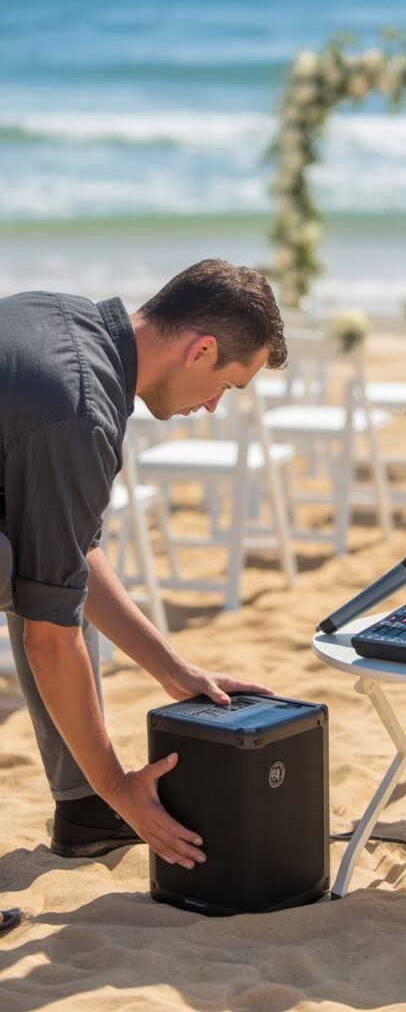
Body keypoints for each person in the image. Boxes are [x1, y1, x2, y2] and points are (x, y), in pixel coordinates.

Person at [0, 259, 288, 871]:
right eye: (226, 386)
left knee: (50, 568)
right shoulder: (82, 410)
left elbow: (71, 552)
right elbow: (50, 638)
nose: (213, 406)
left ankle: (82, 811)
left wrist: (172, 668)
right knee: (39, 584)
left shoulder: (61, 317)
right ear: (200, 349)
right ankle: (94, 799)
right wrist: (120, 787)